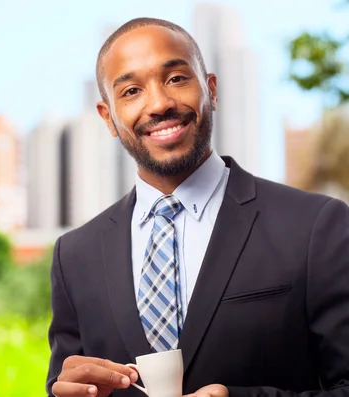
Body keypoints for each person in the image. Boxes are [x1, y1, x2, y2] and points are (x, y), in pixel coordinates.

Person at [46, 17, 349, 397]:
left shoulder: (315, 226)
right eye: (131, 91)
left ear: (211, 90)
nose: (159, 104)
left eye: (176, 78)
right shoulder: (74, 256)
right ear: (108, 117)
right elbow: (66, 383)